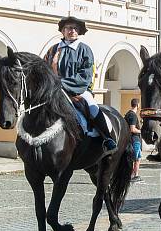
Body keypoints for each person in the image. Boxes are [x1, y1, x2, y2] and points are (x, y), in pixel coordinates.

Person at [44, 16, 117, 153]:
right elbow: (45, 69)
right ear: (63, 31)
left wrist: (62, 83)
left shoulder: (85, 50)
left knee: (93, 108)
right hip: (53, 90)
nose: (71, 31)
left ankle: (107, 138)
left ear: (78, 32)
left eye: (75, 28)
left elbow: (85, 75)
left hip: (78, 90)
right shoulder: (53, 50)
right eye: (68, 28)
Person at [126, 99, 143, 183]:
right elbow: (132, 129)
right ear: (137, 105)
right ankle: (134, 175)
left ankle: (133, 175)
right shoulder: (133, 115)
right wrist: (141, 131)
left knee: (135, 158)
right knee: (136, 158)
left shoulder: (128, 114)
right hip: (135, 139)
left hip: (131, 139)